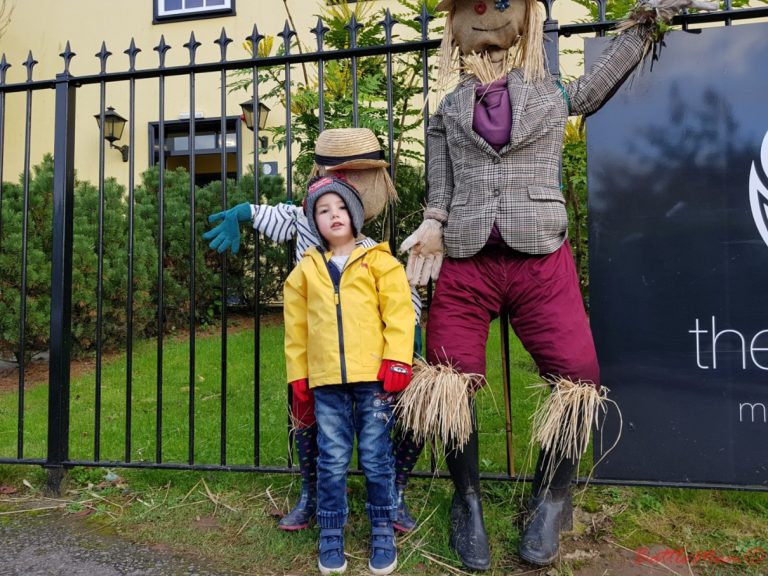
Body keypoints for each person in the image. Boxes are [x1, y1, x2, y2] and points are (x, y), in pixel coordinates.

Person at [398, 0, 717, 570]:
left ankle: (551, 498)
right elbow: (439, 191)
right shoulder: (445, 109)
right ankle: (465, 500)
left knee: (579, 377)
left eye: (498, 4)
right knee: (445, 378)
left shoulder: (549, 94)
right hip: (468, 259)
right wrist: (430, 226)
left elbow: (597, 82)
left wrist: (648, 22)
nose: (484, 15)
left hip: (540, 255)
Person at [202, 128, 424, 534]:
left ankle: (394, 492)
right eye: (343, 175)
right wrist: (241, 213)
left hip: (372, 353)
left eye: (360, 177)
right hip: (319, 348)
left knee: (408, 412)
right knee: (305, 415)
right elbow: (272, 214)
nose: (347, 193)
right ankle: (313, 492)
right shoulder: (307, 220)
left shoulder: (374, 250)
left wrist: (407, 338)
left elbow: (398, 298)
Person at [284, 175, 414, 575]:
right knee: (333, 459)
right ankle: (331, 531)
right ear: (314, 222)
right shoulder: (306, 271)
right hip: (326, 383)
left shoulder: (380, 262)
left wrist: (397, 360)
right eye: (324, 211)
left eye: (341, 208)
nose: (333, 215)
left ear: (356, 216)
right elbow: (296, 329)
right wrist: (299, 375)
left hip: (372, 378)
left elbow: (399, 312)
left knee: (376, 457)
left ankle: (381, 527)